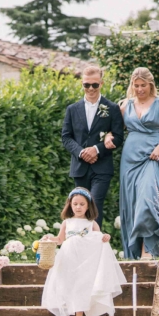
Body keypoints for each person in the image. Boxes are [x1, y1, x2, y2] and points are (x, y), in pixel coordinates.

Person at [40, 187, 126, 316]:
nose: (78, 207)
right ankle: (71, 309)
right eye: (75, 204)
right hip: (68, 258)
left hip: (85, 261)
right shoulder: (67, 222)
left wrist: (105, 237)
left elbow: (99, 239)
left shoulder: (91, 223)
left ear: (88, 206)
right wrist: (50, 238)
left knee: (81, 285)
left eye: (82, 204)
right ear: (70, 205)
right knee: (69, 283)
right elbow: (60, 239)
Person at [117, 67, 159, 259]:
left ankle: (148, 250)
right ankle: (137, 250)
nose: (139, 89)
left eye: (143, 85)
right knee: (135, 202)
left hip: (154, 156)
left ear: (150, 85)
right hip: (130, 159)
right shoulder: (125, 105)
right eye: (136, 85)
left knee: (148, 199)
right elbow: (116, 131)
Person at [61, 65, 125, 226]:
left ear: (101, 84)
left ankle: (94, 242)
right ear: (82, 84)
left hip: (102, 167)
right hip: (80, 166)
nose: (90, 88)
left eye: (94, 84)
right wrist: (81, 152)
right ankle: (80, 243)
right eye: (86, 85)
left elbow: (118, 137)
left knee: (95, 203)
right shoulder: (72, 109)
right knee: (79, 207)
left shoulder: (112, 108)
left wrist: (97, 149)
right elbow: (66, 137)